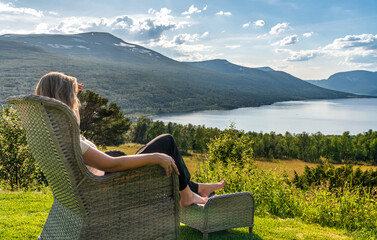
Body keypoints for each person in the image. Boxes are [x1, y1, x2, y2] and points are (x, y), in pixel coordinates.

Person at [35, 72, 225, 207]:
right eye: (74, 101)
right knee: (166, 143)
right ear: (65, 103)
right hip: (108, 190)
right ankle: (187, 196)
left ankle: (197, 188)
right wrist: (156, 157)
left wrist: (71, 89)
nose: (77, 105)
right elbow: (112, 164)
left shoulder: (54, 137)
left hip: (95, 187)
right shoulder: (72, 141)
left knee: (162, 146)